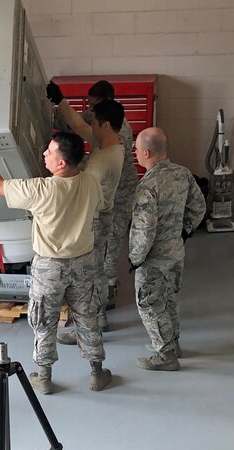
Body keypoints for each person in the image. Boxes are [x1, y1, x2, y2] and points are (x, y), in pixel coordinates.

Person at [0, 132, 110, 394]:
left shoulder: (42, 189)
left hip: (50, 266)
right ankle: (97, 373)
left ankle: (44, 376)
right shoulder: (92, 182)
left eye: (50, 152)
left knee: (44, 319)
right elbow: (99, 210)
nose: (44, 155)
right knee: (87, 316)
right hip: (84, 262)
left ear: (61, 163)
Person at [48, 79, 139, 302]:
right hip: (104, 195)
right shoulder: (100, 117)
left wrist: (61, 100)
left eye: (92, 105)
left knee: (108, 248)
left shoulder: (119, 134)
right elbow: (74, 122)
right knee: (99, 252)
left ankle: (106, 295)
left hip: (118, 196)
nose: (89, 109)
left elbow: (82, 129)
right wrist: (54, 107)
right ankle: (100, 295)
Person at [128, 127, 206, 372]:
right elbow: (199, 207)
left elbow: (144, 229)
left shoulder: (147, 186)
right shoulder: (183, 174)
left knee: (150, 304)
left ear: (147, 152)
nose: (136, 153)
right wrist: (184, 232)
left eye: (137, 150)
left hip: (153, 259)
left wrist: (135, 259)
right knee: (169, 299)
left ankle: (165, 355)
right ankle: (173, 344)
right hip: (176, 252)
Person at [54, 98, 125, 345]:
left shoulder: (102, 161)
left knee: (88, 277)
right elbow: (78, 126)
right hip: (99, 218)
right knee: (97, 274)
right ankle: (100, 318)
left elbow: (78, 190)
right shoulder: (109, 144)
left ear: (105, 125)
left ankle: (87, 328)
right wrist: (59, 101)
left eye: (93, 122)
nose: (90, 127)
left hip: (95, 222)